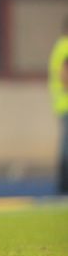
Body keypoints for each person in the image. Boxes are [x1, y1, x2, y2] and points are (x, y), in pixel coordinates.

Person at [48, 17, 68, 194]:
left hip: (62, 103)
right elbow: (65, 74)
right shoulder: (66, 47)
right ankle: (64, 187)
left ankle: (62, 186)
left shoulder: (59, 46)